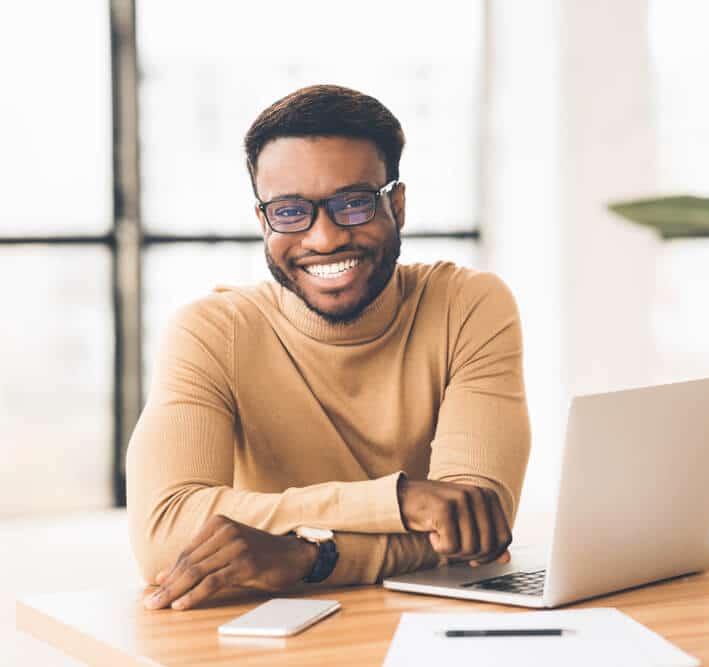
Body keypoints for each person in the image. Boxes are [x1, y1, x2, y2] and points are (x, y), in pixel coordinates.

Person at [127, 84, 531, 612]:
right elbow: (164, 535)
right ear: (263, 222)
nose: (323, 239)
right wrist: (400, 500)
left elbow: (474, 531)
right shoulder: (210, 332)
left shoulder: (468, 306)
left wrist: (307, 558)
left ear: (398, 205)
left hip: (434, 625)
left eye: (354, 204)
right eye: (291, 212)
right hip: (269, 638)